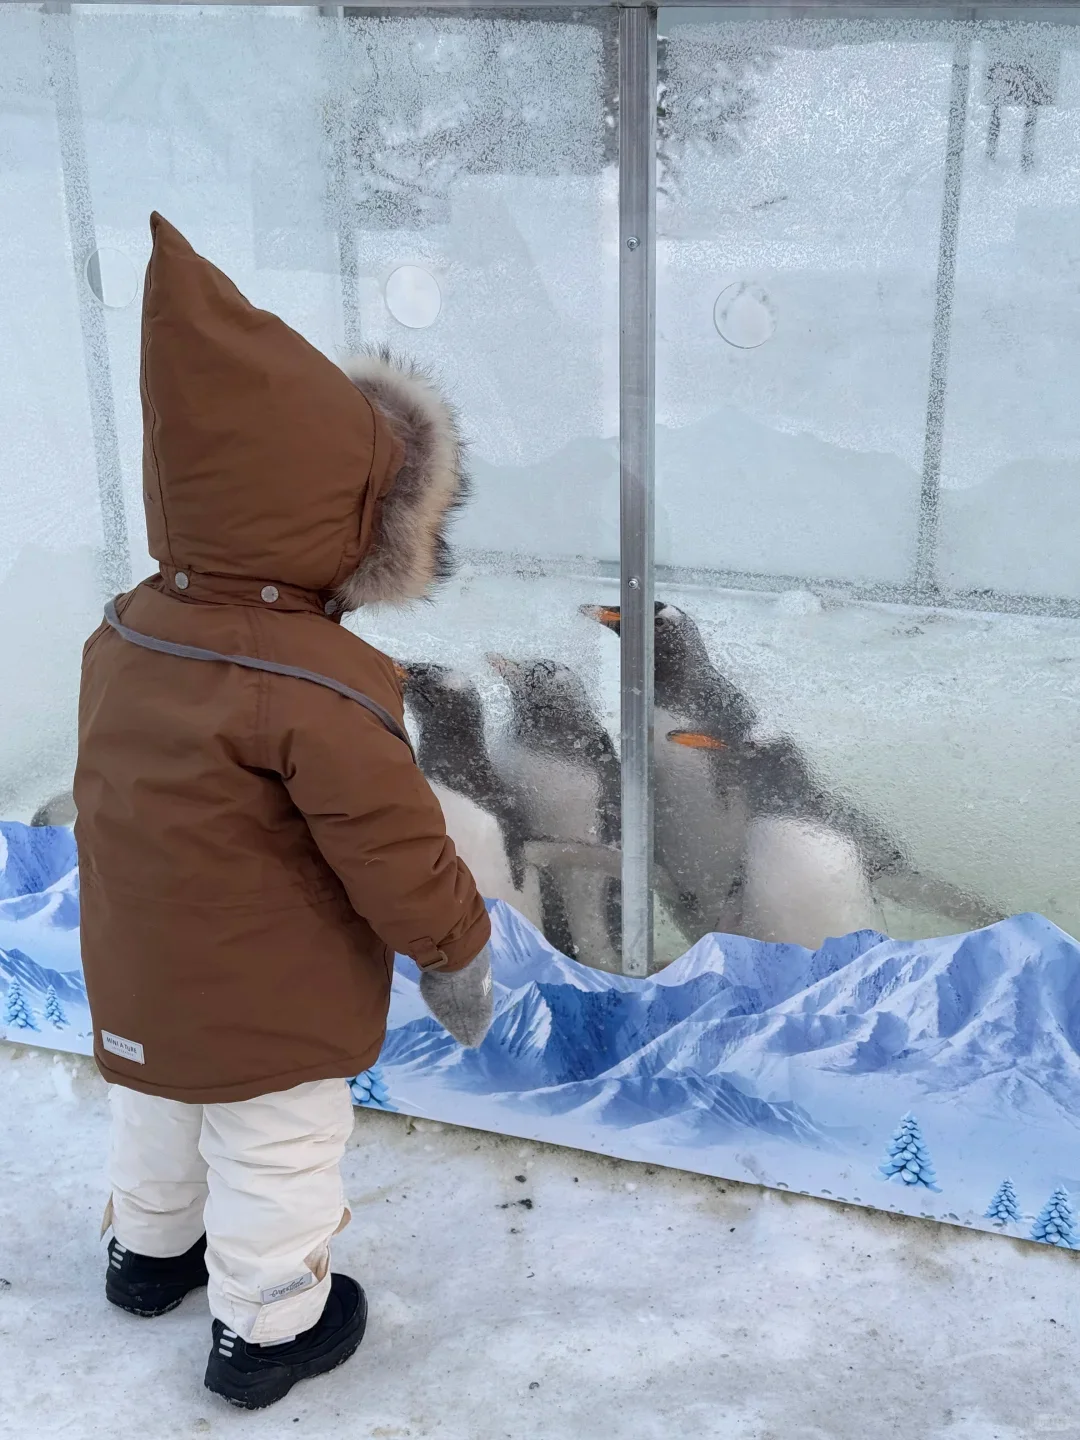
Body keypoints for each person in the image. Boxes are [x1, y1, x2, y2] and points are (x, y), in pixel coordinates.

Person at [73, 213, 494, 1410]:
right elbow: (395, 844)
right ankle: (268, 1329)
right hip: (273, 994)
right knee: (276, 1149)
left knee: (156, 1114)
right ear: (337, 514)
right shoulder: (316, 682)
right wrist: (455, 951)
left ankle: (148, 1260)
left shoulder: (129, 628)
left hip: (138, 969)